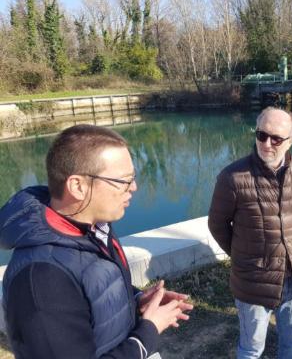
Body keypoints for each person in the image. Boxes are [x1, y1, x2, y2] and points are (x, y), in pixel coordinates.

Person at [0, 124, 193, 359]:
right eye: (123, 180)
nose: (133, 187)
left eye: (133, 178)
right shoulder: (41, 279)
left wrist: (134, 299)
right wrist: (148, 332)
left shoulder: (92, 227)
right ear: (78, 186)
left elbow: (91, 288)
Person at [208, 107, 292, 359]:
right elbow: (218, 224)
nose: (266, 143)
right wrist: (244, 257)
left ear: (291, 140)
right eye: (261, 134)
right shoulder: (232, 177)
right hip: (253, 282)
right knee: (252, 349)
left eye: (276, 138)